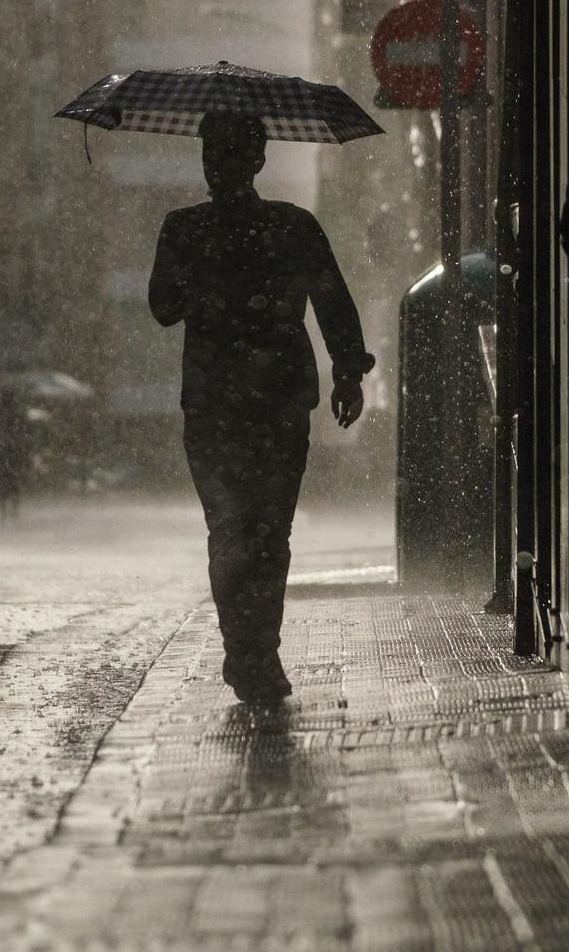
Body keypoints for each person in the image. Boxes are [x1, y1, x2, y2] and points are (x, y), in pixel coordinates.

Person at [149, 112, 374, 704]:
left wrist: (349, 369)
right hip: (265, 403)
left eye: (223, 152)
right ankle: (252, 652)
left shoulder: (191, 230)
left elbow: (164, 306)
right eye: (210, 152)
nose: (214, 164)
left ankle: (249, 650)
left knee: (240, 529)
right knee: (259, 530)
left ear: (252, 161)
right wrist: (346, 371)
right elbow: (331, 303)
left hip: (231, 404)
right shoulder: (285, 227)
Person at [0, 386, 29, 520]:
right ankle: (9, 510)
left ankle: (7, 510)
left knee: (6, 481)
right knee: (10, 482)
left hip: (5, 453)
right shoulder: (14, 415)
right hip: (9, 453)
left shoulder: (0, 414)